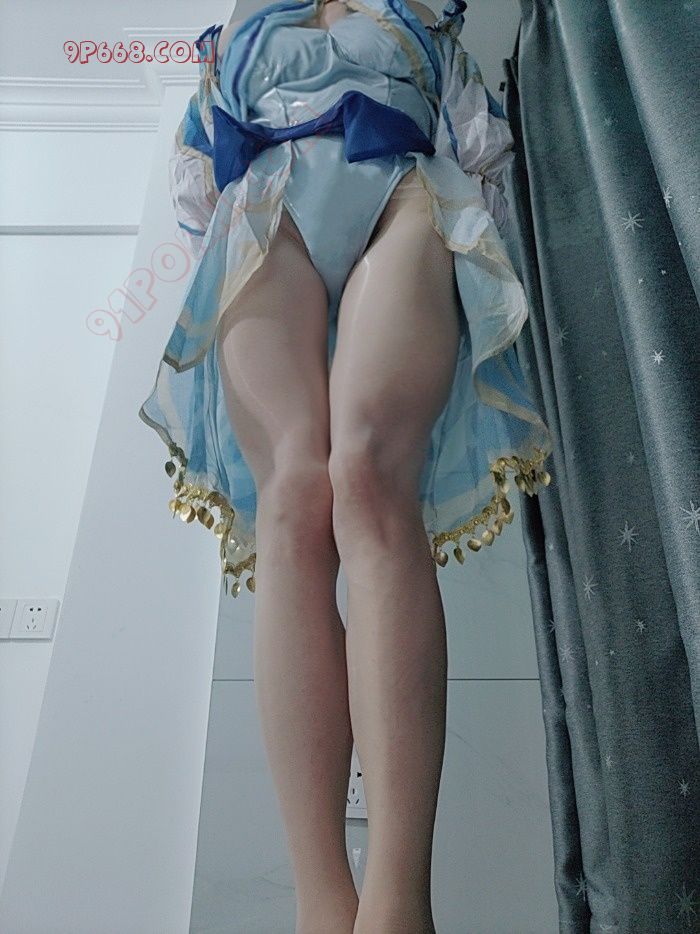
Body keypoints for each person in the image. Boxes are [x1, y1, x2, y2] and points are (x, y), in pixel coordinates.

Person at [139, 1, 553, 930]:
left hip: (402, 191)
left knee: (366, 477)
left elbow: (480, 148)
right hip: (265, 206)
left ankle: (400, 902)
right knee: (294, 496)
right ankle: (322, 903)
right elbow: (197, 184)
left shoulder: (422, 16)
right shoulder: (244, 25)